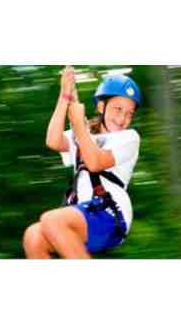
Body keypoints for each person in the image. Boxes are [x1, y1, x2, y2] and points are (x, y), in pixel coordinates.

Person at [23, 65, 142, 259]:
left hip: (110, 212)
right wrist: (65, 96)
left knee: (52, 220)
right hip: (84, 212)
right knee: (33, 236)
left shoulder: (129, 138)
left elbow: (95, 162)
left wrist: (79, 125)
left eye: (129, 113)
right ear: (101, 107)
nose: (122, 118)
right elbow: (53, 140)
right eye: (118, 109)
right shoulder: (85, 134)